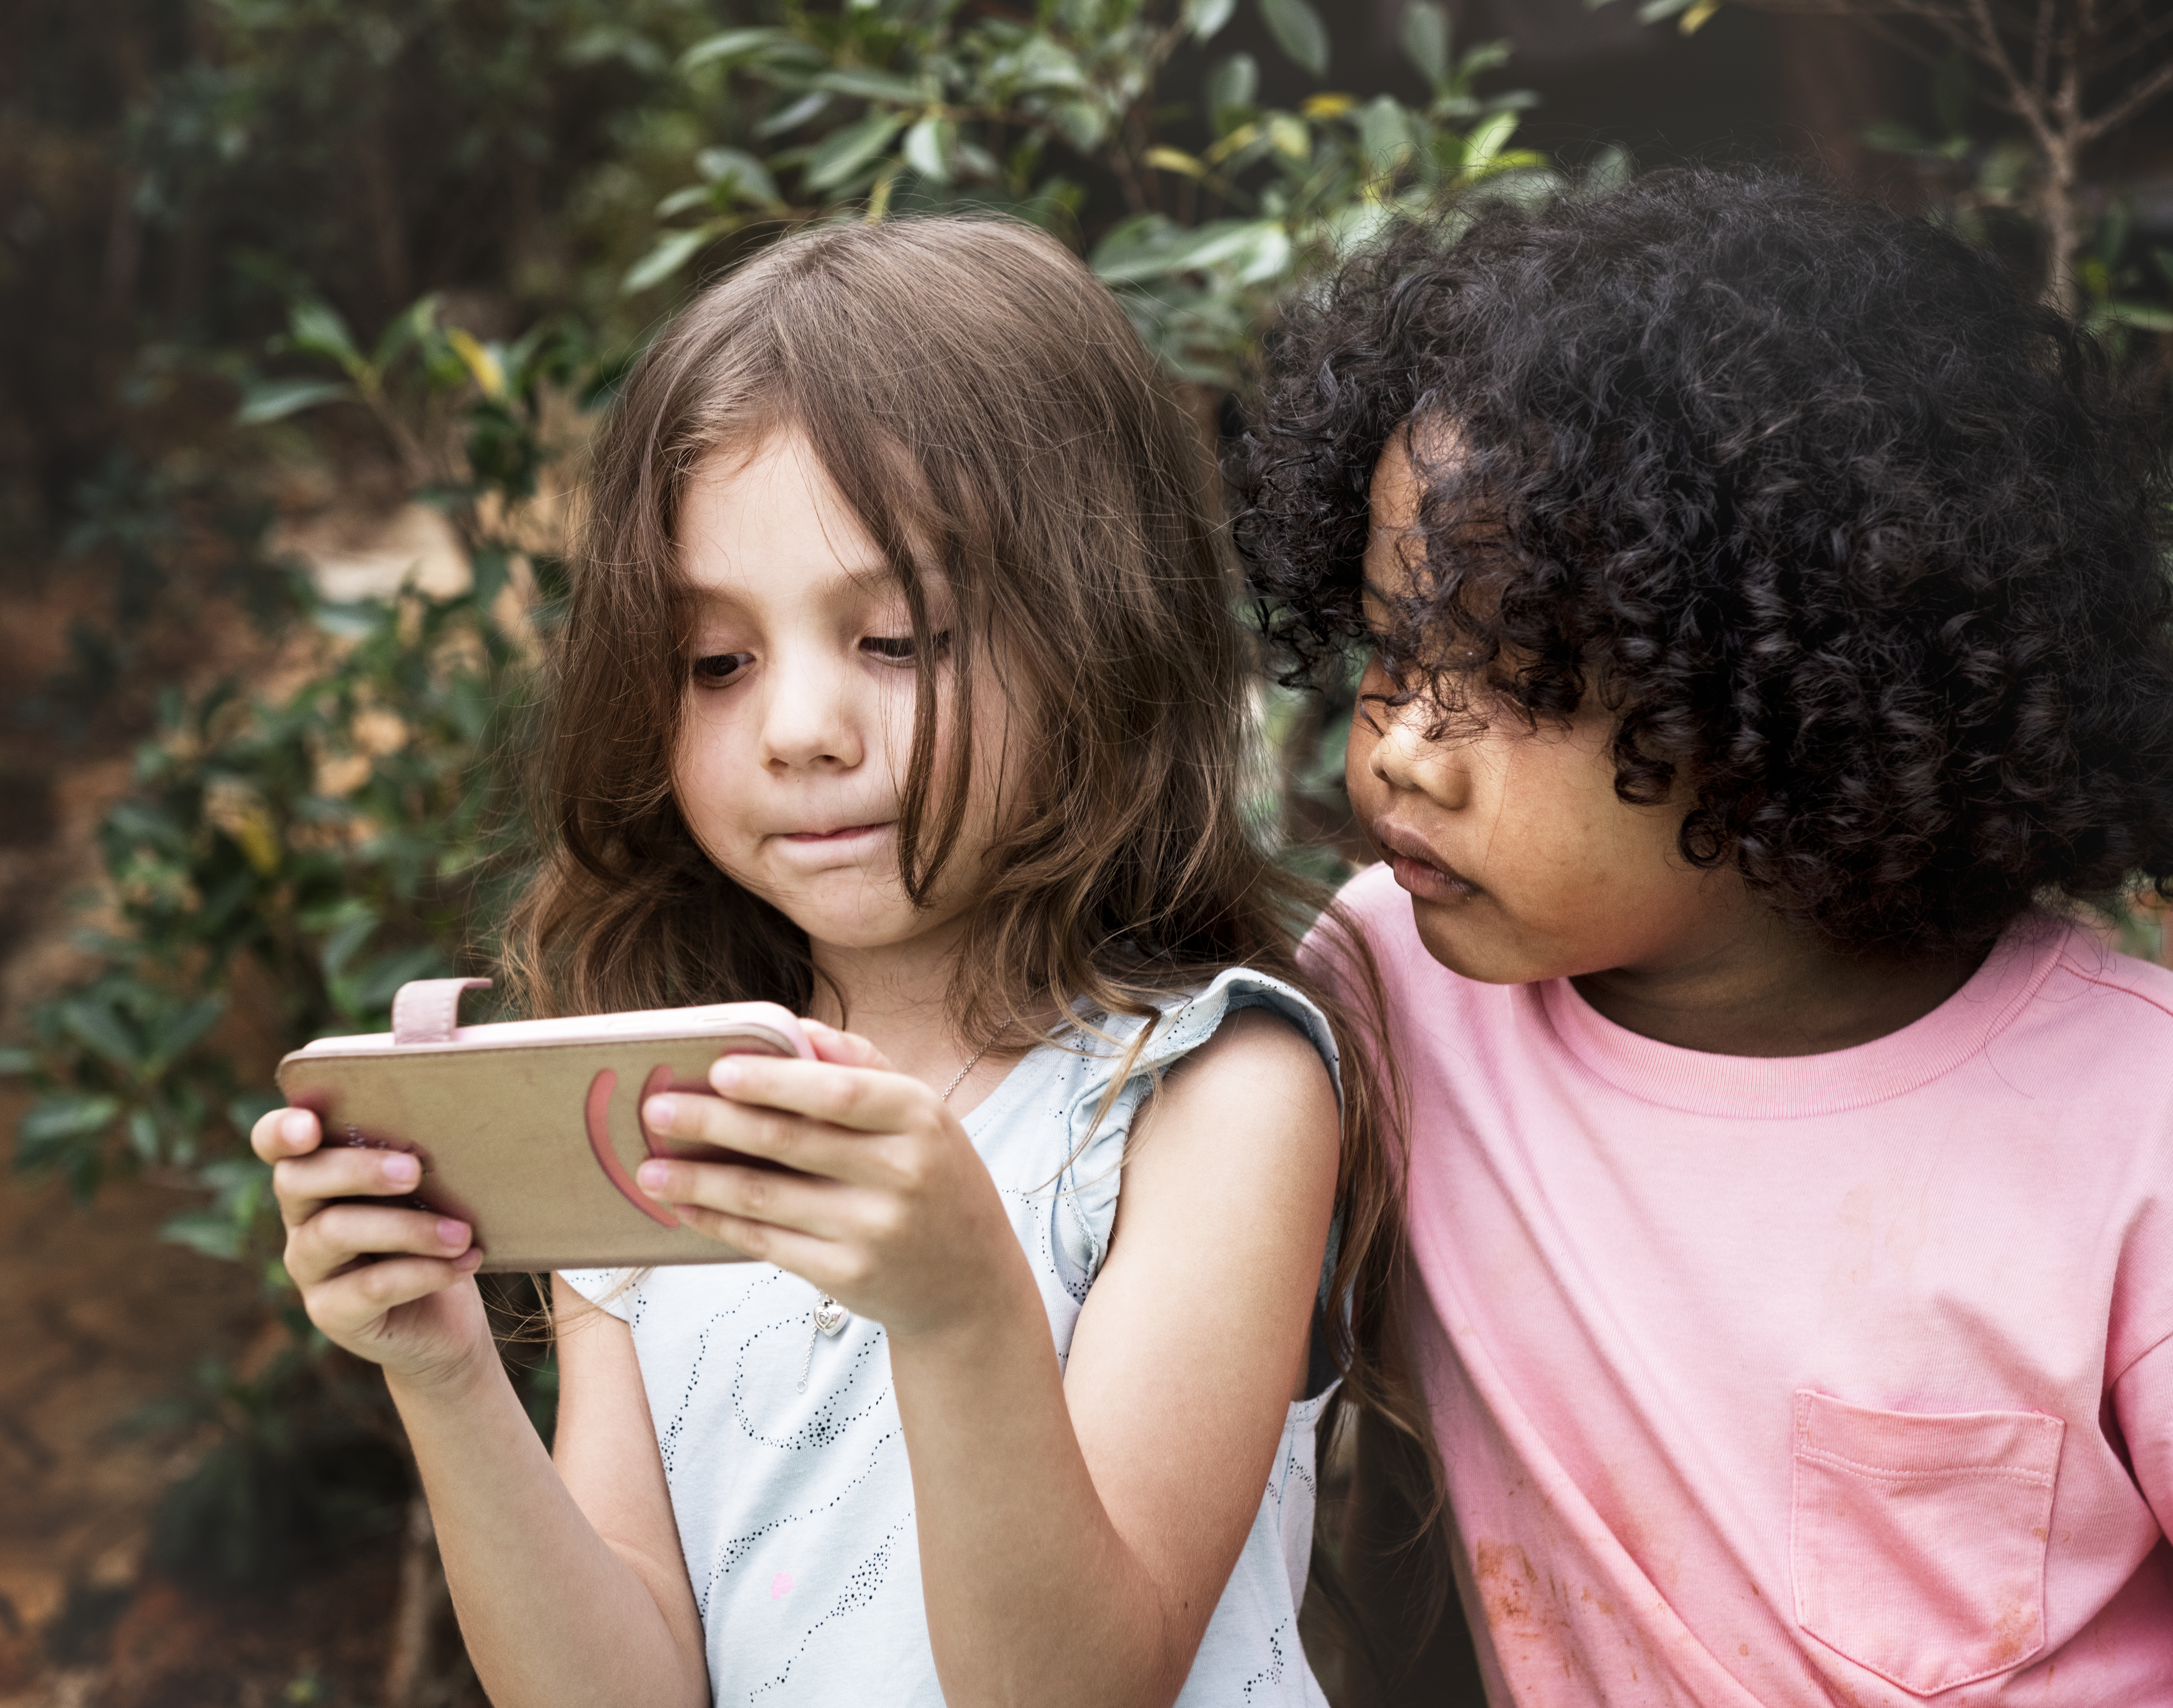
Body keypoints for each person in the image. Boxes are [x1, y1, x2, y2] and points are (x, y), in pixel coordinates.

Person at [250, 216, 1424, 1708]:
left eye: (899, 637)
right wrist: (443, 1370)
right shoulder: (660, 1112)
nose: (800, 727)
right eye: (716, 661)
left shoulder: (1210, 1091)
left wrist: (956, 1305)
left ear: (1103, 630)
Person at [1239, 169, 2173, 1704]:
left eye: (1523, 681)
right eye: (1394, 650)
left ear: (1785, 700)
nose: (1407, 744)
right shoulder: (1386, 998)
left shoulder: (2138, 1133)